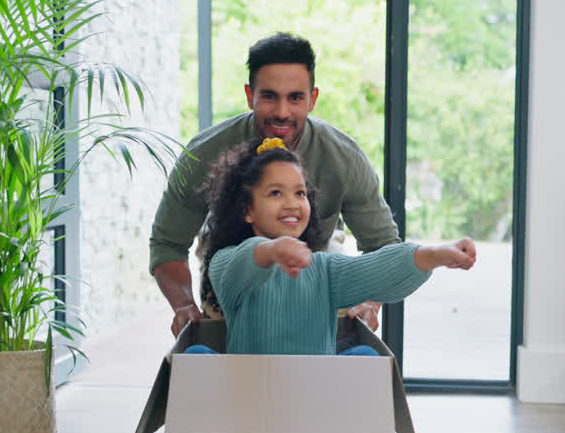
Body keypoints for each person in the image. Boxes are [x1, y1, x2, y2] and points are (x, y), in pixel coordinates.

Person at [150, 32, 400, 336]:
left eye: (295, 97)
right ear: (249, 95)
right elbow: (167, 244)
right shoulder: (203, 153)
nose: (282, 112)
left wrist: (369, 304)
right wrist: (183, 306)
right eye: (269, 96)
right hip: (229, 273)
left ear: (313, 98)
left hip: (315, 266)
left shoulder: (343, 157)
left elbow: (384, 247)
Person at [183, 137, 475, 356]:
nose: (292, 203)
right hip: (252, 397)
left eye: (300, 193)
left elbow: (375, 270)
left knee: (365, 357)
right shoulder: (227, 263)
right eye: (275, 193)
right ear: (247, 210)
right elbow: (244, 262)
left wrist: (434, 255)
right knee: (195, 357)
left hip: (316, 399)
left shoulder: (323, 269)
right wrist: (272, 251)